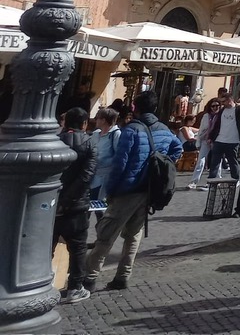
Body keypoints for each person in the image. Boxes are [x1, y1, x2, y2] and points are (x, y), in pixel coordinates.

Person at [83, 90, 183, 292]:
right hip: (148, 189)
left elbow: (120, 164)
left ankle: (89, 277)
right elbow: (178, 148)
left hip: (127, 189)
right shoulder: (164, 130)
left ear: (136, 108)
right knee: (134, 234)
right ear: (155, 107)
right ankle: (123, 276)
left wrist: (111, 189)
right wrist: (162, 163)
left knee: (106, 234)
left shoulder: (131, 130)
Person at [55, 107, 97, 304]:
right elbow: (86, 176)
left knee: (47, 246)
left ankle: (42, 283)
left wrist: (60, 200)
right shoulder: (90, 144)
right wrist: (69, 200)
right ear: (84, 124)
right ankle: (75, 287)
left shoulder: (55, 140)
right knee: (78, 248)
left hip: (53, 202)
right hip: (77, 205)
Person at [88, 107, 120, 207]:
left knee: (100, 206)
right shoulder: (95, 134)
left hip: (105, 178)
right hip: (92, 175)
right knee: (90, 205)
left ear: (104, 120)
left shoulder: (116, 134)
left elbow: (119, 156)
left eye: (97, 118)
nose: (95, 120)